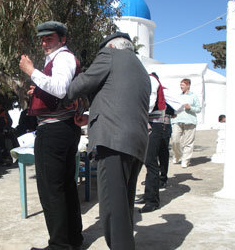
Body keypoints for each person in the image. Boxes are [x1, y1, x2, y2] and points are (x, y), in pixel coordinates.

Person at [65, 32, 151, 250]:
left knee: (112, 209)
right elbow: (119, 100)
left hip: (114, 142)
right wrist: (92, 116)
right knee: (124, 204)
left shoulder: (109, 56)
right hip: (136, 144)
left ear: (110, 47)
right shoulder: (141, 69)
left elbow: (77, 87)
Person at [19, 21, 83, 250]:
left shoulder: (63, 57)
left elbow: (60, 89)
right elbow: (57, 89)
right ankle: (73, 240)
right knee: (65, 186)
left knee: (51, 189)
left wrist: (31, 71)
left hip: (54, 130)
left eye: (50, 38)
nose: (45, 42)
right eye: (43, 39)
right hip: (63, 128)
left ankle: (59, 245)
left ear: (62, 39)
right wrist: (38, 90)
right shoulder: (58, 59)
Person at [137, 72, 166, 213]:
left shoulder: (151, 79)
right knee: (146, 161)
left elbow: (149, 103)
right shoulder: (146, 78)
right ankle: (148, 195)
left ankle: (152, 201)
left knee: (150, 161)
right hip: (147, 122)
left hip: (153, 124)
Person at [171, 78, 201, 168]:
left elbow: (198, 109)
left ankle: (185, 160)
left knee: (188, 142)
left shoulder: (194, 96)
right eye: (180, 85)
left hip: (190, 121)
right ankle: (177, 155)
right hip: (177, 120)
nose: (181, 87)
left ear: (188, 85)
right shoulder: (178, 96)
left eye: (183, 85)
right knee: (174, 140)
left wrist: (190, 107)